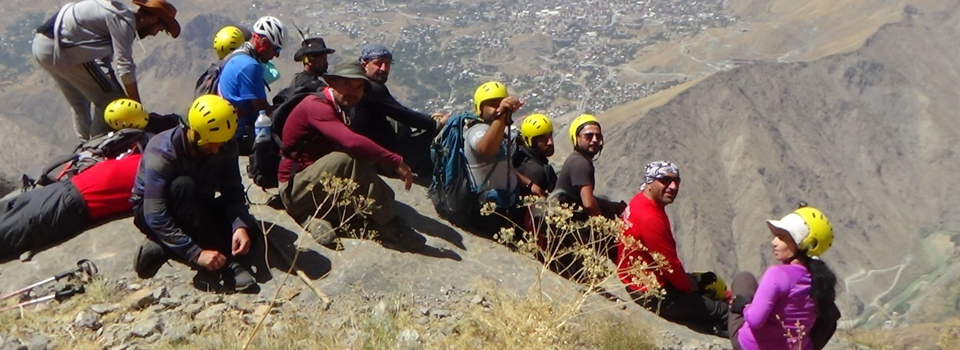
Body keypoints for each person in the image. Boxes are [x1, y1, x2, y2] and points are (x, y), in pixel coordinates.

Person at [278, 62, 425, 250]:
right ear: (332, 83)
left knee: (386, 195)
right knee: (348, 158)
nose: (353, 92)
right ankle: (389, 226)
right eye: (346, 84)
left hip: (317, 183)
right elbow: (351, 142)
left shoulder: (342, 109)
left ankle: (311, 218)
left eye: (358, 87)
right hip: (294, 188)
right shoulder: (316, 106)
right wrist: (395, 160)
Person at [131, 95, 257, 291]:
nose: (216, 150)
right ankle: (225, 266)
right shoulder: (162, 152)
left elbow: (231, 187)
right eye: (210, 144)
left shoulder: (224, 143)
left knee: (252, 230)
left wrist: (239, 225)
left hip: (198, 202)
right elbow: (154, 214)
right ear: (195, 134)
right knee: (183, 186)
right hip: (156, 210)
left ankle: (166, 246)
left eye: (220, 144)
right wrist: (196, 253)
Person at [32, 0, 180, 141]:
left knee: (79, 101)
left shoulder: (117, 14)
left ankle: (85, 147)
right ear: (152, 20)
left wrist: (120, 92)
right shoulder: (124, 21)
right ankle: (96, 146)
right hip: (62, 50)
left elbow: (105, 63)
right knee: (109, 100)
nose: (155, 34)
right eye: (160, 29)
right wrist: (137, 110)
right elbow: (125, 66)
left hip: (42, 47)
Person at [617, 161, 729, 336]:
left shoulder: (639, 201)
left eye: (677, 181)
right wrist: (689, 287)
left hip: (637, 281)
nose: (673, 186)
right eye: (665, 180)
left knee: (708, 281)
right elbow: (669, 265)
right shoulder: (651, 218)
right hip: (654, 294)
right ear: (650, 182)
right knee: (722, 311)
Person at [728, 205, 841, 350]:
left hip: (751, 347)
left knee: (744, 279)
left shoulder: (777, 274)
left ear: (802, 245)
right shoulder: (819, 280)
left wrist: (743, 306)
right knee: (830, 312)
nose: (774, 242)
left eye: (781, 238)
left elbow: (755, 321)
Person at [0, 153, 142, 260]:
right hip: (66, 196)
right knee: (11, 220)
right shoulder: (155, 164)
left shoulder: (152, 156)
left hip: (71, 199)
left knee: (9, 225)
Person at [350, 44, 450, 177]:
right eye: (378, 64)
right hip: (380, 156)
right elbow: (402, 114)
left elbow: (397, 111)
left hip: (374, 148)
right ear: (364, 64)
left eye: (387, 64)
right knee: (435, 141)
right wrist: (435, 123)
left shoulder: (359, 84)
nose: (384, 69)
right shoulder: (371, 88)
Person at [462, 81, 529, 233]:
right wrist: (502, 116)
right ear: (480, 110)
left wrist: (529, 183)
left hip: (507, 205)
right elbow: (485, 149)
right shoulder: (476, 130)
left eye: (501, 103)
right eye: (493, 105)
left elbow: (503, 167)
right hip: (490, 212)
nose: (498, 108)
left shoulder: (500, 133)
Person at [217, 16, 284, 149]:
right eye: (276, 50)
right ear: (264, 42)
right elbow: (263, 110)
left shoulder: (239, 54)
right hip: (235, 135)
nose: (277, 55)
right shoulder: (250, 66)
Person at [554, 114, 625, 218]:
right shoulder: (580, 164)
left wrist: (613, 206)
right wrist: (604, 228)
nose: (595, 140)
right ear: (576, 139)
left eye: (598, 136)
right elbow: (589, 204)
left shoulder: (577, 159)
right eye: (589, 136)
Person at [271, 37, 335, 106]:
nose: (326, 63)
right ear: (310, 60)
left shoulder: (298, 80)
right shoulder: (313, 86)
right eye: (323, 59)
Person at [513, 113, 557, 197]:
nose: (550, 142)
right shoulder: (536, 171)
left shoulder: (522, 160)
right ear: (529, 141)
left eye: (550, 136)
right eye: (543, 138)